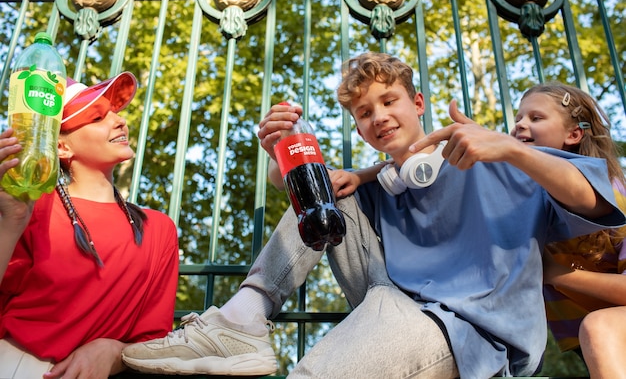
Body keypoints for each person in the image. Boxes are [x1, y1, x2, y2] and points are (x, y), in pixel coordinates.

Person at [121, 52, 625, 378]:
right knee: (322, 183)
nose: (379, 116)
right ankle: (242, 318)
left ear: (419, 103)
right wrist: (284, 153)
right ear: (360, 129)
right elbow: (299, 194)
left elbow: (595, 200)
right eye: (365, 113)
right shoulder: (378, 184)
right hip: (391, 298)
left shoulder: (502, 155)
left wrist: (512, 150)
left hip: (471, 330)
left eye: (390, 100)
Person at [0, 72, 179, 379]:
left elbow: (152, 337)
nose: (119, 121)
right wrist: (10, 223)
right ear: (61, 147)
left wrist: (114, 353)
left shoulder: (159, 229)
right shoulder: (29, 205)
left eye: (116, 113)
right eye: (97, 118)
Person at [511, 83, 626, 379]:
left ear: (573, 135)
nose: (521, 124)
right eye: (517, 119)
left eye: (536, 118)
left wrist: (554, 273)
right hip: (592, 342)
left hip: (606, 329)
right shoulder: (524, 202)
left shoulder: (615, 196)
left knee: (598, 325)